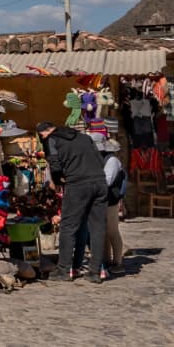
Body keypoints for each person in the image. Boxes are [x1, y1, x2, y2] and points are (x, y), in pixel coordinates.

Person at [38, 120, 111, 282]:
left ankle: (63, 270)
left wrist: (58, 182)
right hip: (100, 182)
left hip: (78, 184)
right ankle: (95, 272)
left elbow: (55, 165)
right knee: (98, 228)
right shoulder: (85, 137)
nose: (42, 138)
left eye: (41, 135)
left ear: (47, 131)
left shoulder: (52, 139)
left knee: (68, 226)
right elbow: (99, 160)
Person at [100, 138, 128, 270]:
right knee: (104, 232)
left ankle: (117, 261)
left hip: (110, 200)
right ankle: (106, 259)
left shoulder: (112, 161)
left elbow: (107, 181)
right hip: (104, 200)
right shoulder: (106, 160)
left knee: (112, 231)